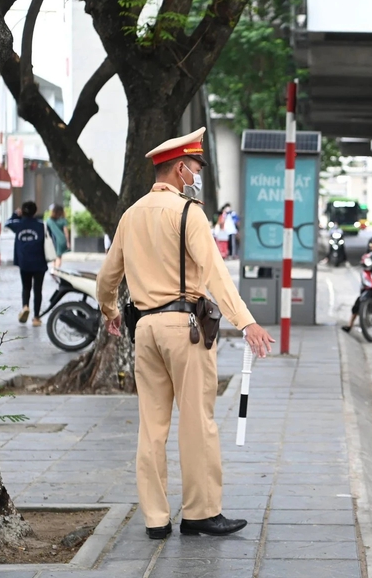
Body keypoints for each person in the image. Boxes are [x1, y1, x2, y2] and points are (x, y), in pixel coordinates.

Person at [96, 128, 275, 540]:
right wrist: (245, 321)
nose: (196, 175)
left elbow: (108, 278)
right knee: (197, 422)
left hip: (145, 329)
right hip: (186, 328)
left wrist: (109, 312)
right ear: (180, 169)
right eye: (195, 168)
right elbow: (214, 273)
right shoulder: (188, 213)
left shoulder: (131, 215)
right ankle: (200, 512)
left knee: (151, 426)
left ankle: (156, 519)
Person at [6, 201, 48, 327]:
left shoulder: (18, 224)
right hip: (39, 261)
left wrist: (16, 214)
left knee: (26, 287)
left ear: (22, 211)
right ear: (35, 211)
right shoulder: (41, 225)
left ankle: (25, 307)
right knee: (38, 289)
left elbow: (7, 223)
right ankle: (36, 318)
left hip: (24, 262)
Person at [45, 204, 71, 269]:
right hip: (61, 239)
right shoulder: (63, 220)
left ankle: (54, 269)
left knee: (54, 256)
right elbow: (66, 232)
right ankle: (56, 270)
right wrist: (68, 241)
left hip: (52, 240)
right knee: (59, 256)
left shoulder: (49, 220)